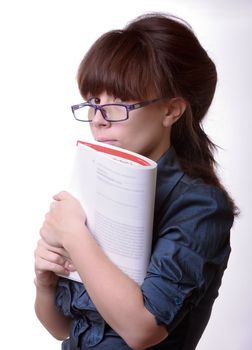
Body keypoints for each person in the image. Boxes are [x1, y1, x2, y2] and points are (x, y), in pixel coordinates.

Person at [34, 12, 238, 350]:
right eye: (94, 101)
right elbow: (62, 328)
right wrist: (44, 282)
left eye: (118, 102)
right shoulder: (93, 190)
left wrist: (73, 234)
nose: (99, 119)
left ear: (171, 110)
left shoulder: (199, 205)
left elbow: (142, 330)